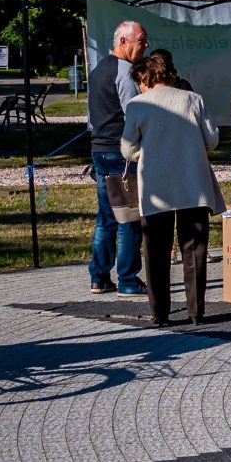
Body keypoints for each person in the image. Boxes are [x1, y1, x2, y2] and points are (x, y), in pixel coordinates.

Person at [120, 50, 223, 328]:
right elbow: (212, 140)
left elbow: (128, 149)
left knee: (156, 251)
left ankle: (160, 313)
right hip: (193, 183)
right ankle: (196, 312)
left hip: (156, 188)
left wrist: (148, 151)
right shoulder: (193, 99)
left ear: (146, 78)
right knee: (194, 250)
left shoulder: (138, 105)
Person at [87, 19, 148, 298]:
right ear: (123, 42)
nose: (146, 46)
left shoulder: (98, 69)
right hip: (120, 152)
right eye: (141, 41)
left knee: (106, 218)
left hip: (100, 150)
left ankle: (99, 277)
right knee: (127, 218)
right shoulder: (124, 71)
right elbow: (132, 113)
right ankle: (127, 279)